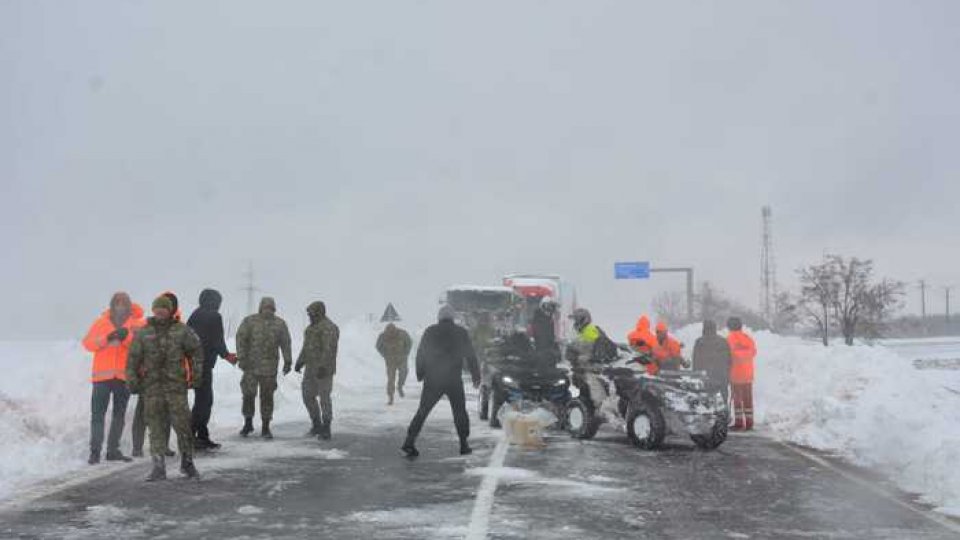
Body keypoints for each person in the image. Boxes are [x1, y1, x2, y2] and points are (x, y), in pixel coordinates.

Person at [126, 295, 203, 481]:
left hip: (176, 387)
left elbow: (196, 352)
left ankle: (187, 463)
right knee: (156, 428)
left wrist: (196, 375)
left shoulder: (182, 331)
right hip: (152, 388)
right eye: (157, 309)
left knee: (183, 426)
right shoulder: (143, 333)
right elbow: (132, 360)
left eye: (164, 309)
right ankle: (158, 467)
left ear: (170, 311)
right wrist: (132, 381)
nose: (160, 312)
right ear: (153, 311)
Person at [401, 306, 480, 458]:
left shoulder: (430, 331)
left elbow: (421, 353)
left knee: (422, 412)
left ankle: (409, 442)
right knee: (459, 412)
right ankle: (464, 444)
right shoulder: (461, 332)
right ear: (453, 317)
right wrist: (476, 375)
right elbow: (470, 355)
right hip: (453, 380)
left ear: (439, 317)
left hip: (433, 379)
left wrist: (420, 373)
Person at [81, 292, 145, 465]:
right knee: (97, 415)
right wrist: (106, 338)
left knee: (119, 415)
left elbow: (140, 347)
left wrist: (126, 338)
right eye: (117, 303)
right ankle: (95, 451)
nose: (120, 306)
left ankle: (113, 450)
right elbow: (87, 343)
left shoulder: (136, 325)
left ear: (129, 305)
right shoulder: (101, 322)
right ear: (112, 305)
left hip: (123, 376)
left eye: (124, 303)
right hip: (101, 378)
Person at [236, 297, 292, 439]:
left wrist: (288, 361)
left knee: (267, 397)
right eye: (265, 307)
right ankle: (248, 422)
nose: (268, 310)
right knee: (248, 395)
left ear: (274, 309)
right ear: (260, 308)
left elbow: (286, 343)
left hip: (269, 369)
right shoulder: (250, 321)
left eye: (270, 308)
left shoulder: (280, 324)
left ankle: (266, 426)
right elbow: (241, 339)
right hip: (250, 367)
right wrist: (241, 357)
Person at [187, 289, 237, 450]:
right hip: (204, 364)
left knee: (200, 401)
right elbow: (217, 340)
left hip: (192, 364)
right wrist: (228, 356)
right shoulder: (214, 316)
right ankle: (196, 436)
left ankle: (197, 435)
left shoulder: (195, 315)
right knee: (205, 401)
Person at [131, 291, 178, 457]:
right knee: (142, 413)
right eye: (159, 308)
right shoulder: (146, 328)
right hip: (149, 379)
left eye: (167, 307)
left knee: (165, 414)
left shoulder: (177, 327)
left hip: (168, 380)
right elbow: (136, 353)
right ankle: (137, 447)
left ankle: (163, 446)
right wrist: (137, 372)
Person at [294, 301, 340, 440]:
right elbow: (306, 347)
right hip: (310, 369)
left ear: (319, 312)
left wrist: (324, 366)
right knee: (307, 396)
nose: (309, 316)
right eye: (308, 313)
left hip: (324, 370)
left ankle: (326, 427)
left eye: (311, 313)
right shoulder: (310, 329)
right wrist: (300, 361)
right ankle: (316, 424)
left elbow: (329, 349)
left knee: (324, 397)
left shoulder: (329, 327)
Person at [727, 317, 758, 431]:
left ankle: (739, 423)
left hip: (736, 374)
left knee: (737, 399)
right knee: (748, 399)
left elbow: (727, 356)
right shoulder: (748, 338)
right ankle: (749, 423)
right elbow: (754, 352)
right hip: (748, 374)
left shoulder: (730, 339)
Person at [692, 320, 732, 403]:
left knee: (705, 403)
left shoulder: (699, 342)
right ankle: (724, 414)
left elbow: (695, 361)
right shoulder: (723, 342)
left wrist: (695, 376)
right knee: (722, 401)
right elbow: (729, 361)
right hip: (721, 378)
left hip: (704, 378)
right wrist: (728, 376)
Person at [376, 322, 413, 405]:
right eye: (389, 334)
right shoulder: (382, 336)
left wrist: (406, 353)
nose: (391, 335)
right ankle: (390, 397)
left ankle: (400, 386)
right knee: (391, 379)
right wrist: (384, 354)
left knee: (404, 373)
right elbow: (378, 346)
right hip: (390, 361)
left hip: (402, 359)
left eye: (392, 333)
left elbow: (409, 343)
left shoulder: (403, 334)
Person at [530, 298, 560, 366]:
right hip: (543, 356)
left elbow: (551, 337)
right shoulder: (541, 320)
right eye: (550, 307)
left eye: (553, 307)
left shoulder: (548, 319)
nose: (552, 310)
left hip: (547, 356)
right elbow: (543, 339)